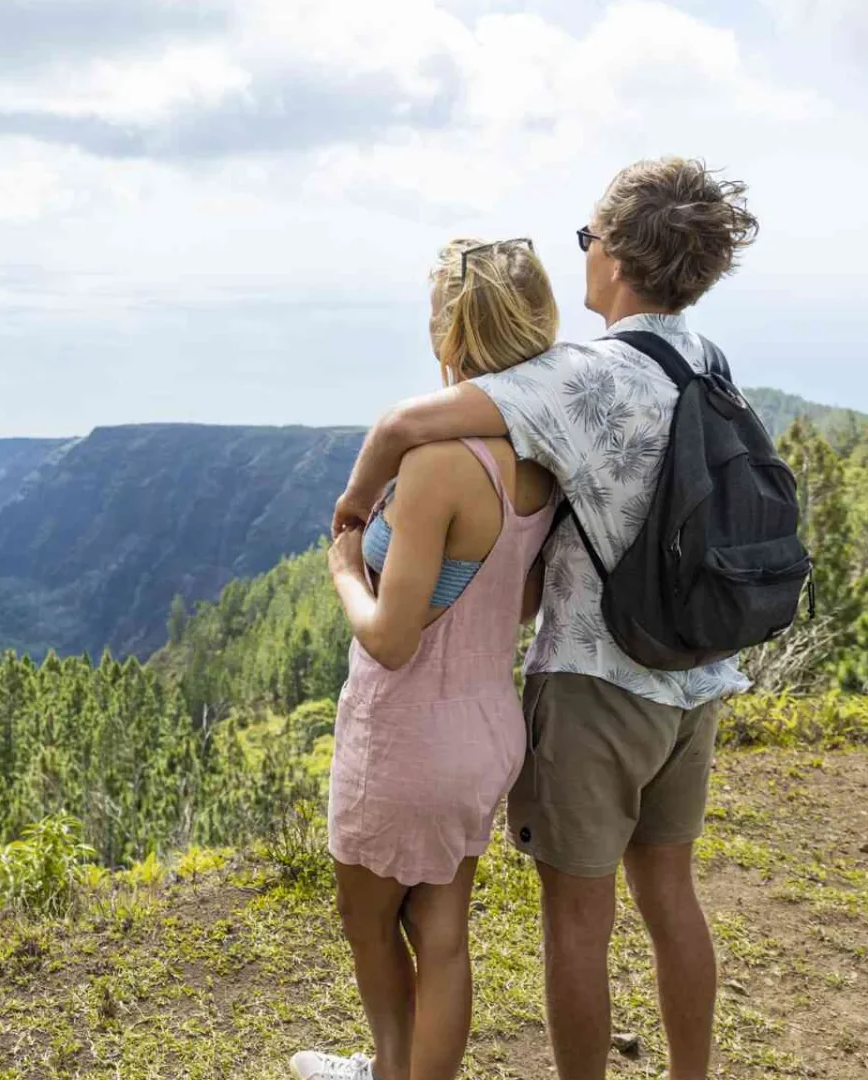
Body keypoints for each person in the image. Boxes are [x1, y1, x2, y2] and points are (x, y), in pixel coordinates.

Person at [328, 157, 760, 1080]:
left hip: (600, 684)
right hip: (693, 676)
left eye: (587, 240)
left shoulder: (585, 376)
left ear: (615, 256)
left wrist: (349, 518)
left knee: (577, 923)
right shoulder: (706, 360)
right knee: (673, 896)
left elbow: (410, 423)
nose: (584, 257)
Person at [290, 236, 559, 1080]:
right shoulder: (542, 466)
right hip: (487, 724)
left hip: (405, 732)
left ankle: (387, 1068)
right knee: (443, 936)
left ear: (449, 336)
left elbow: (391, 636)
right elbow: (519, 600)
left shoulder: (438, 465)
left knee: (368, 925)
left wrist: (341, 568)